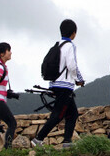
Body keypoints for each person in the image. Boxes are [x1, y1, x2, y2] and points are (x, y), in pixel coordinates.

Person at [32, 19, 85, 148]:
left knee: (72, 113)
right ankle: (38, 139)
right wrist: (79, 79)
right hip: (64, 86)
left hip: (55, 83)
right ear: (74, 33)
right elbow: (72, 65)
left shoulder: (57, 45)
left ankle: (67, 141)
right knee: (57, 115)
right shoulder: (70, 46)